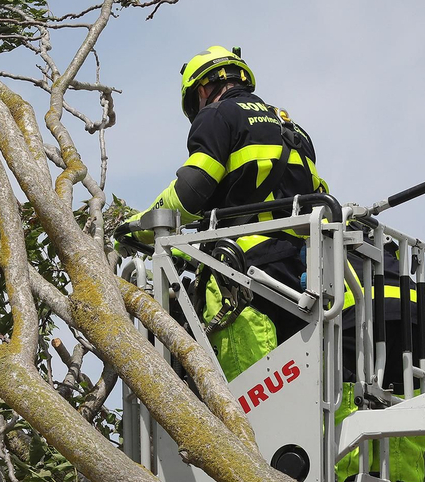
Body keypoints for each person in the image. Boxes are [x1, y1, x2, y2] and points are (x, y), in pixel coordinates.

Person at [122, 46, 330, 379]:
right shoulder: (294, 130)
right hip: (302, 278)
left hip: (242, 275)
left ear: (202, 91)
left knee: (250, 400)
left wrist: (140, 225)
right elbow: (321, 198)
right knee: (296, 391)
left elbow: (191, 190)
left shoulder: (219, 115)